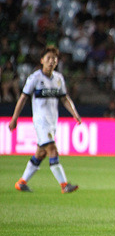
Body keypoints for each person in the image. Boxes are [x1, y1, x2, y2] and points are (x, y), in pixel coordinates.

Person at [9, 46, 82, 193]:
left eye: (54, 59)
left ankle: (21, 182)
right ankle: (64, 185)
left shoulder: (58, 78)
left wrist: (74, 113)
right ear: (42, 60)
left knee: (41, 153)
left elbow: (64, 98)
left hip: (52, 122)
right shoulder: (35, 78)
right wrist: (14, 118)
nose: (51, 61)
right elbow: (23, 98)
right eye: (48, 58)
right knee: (52, 150)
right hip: (41, 121)